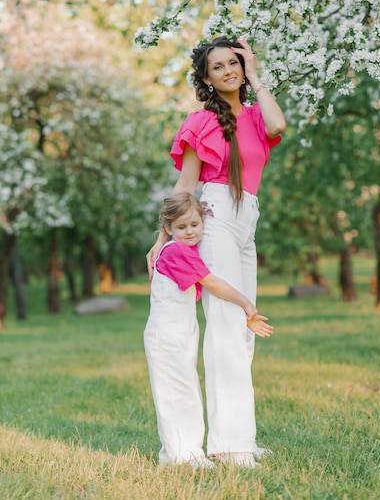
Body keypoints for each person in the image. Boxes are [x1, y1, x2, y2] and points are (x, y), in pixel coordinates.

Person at [147, 36, 286, 468]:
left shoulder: (255, 114)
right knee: (226, 325)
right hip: (218, 211)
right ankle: (231, 448)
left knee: (244, 328)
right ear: (206, 79)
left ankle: (236, 437)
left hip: (248, 217)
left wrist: (256, 74)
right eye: (218, 67)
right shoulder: (203, 120)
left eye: (234, 63)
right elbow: (187, 183)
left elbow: (279, 126)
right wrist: (162, 236)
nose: (229, 71)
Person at [144, 191, 273, 468]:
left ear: (203, 223)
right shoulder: (176, 251)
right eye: (181, 227)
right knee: (176, 390)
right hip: (166, 334)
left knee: (186, 387)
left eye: (194, 225)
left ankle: (182, 453)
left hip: (181, 331)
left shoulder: (187, 251)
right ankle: (181, 455)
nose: (190, 232)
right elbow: (212, 282)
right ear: (168, 229)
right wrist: (245, 303)